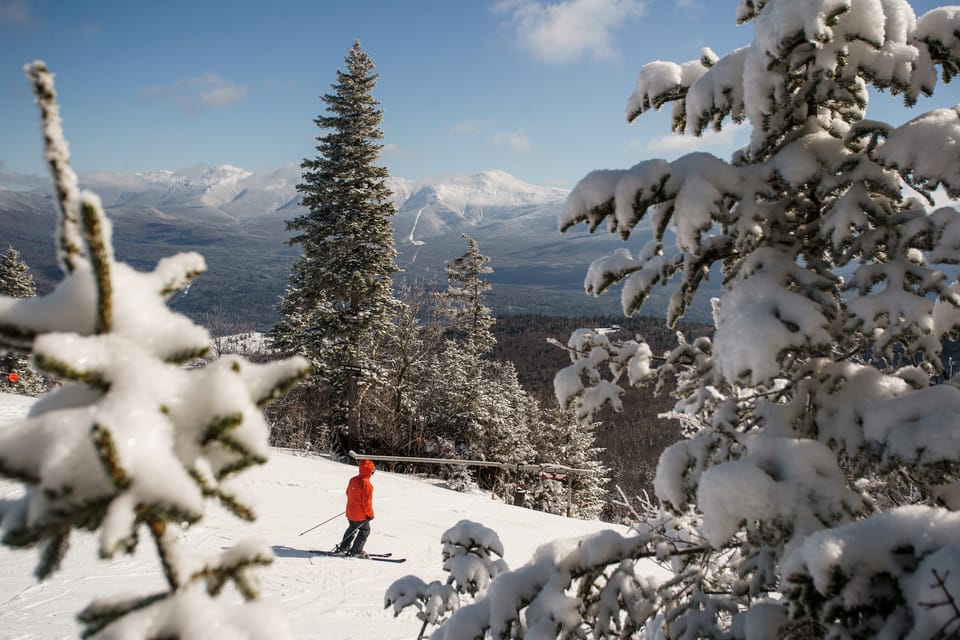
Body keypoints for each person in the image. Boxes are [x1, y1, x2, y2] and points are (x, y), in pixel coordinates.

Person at [335, 458, 375, 557]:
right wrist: (370, 514)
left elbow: (348, 493)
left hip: (350, 511)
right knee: (365, 530)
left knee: (352, 528)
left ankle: (343, 547)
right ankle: (356, 551)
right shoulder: (367, 485)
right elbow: (366, 503)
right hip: (360, 515)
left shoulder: (353, 480)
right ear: (371, 471)